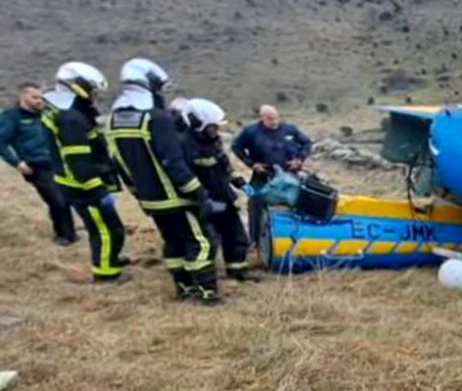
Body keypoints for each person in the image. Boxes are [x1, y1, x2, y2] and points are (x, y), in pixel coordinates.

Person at [106, 58, 220, 304]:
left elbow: (120, 165)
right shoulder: (157, 119)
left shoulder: (115, 120)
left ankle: (183, 289)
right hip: (177, 196)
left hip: (151, 199)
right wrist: (198, 193)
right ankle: (207, 293)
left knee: (173, 243)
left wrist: (139, 194)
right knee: (201, 243)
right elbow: (174, 162)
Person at [43, 62, 130, 283]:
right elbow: (78, 159)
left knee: (108, 227)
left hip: (74, 182)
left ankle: (109, 259)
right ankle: (106, 274)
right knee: (106, 230)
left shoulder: (63, 110)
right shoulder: (71, 118)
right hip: (82, 186)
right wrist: (98, 190)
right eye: (92, 89)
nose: (93, 95)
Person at [181, 97, 257, 283]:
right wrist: (203, 199)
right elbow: (183, 176)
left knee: (237, 237)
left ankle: (238, 272)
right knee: (207, 242)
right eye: (212, 126)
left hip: (223, 198)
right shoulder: (184, 146)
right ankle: (203, 279)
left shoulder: (213, 142)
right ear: (197, 124)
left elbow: (225, 167)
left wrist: (241, 184)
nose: (216, 130)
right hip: (203, 202)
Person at [0, 82, 77, 245]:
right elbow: (1, 142)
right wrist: (17, 162)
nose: (39, 101)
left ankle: (71, 234)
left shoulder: (46, 115)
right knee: (56, 200)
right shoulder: (12, 118)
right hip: (35, 166)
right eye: (35, 97)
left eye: (41, 97)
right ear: (23, 97)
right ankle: (63, 236)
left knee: (67, 198)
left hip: (57, 163)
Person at [230, 104, 313, 251]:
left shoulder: (290, 129)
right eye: (270, 119)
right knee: (254, 200)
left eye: (276, 118)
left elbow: (307, 143)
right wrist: (251, 163)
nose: (274, 122)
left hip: (289, 174)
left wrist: (299, 160)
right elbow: (236, 147)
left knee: (296, 201)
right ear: (262, 118)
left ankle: (296, 237)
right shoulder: (251, 132)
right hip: (263, 174)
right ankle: (255, 241)